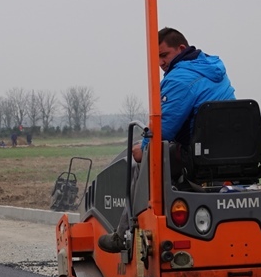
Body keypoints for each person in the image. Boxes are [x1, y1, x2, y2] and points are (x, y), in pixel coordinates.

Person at [98, 27, 235, 253]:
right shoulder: (214, 67)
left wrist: (143, 150)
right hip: (231, 150)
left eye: (164, 55)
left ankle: (123, 234)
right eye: (157, 57)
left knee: (137, 165)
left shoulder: (179, 78)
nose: (161, 62)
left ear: (180, 49)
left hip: (199, 154)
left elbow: (164, 128)